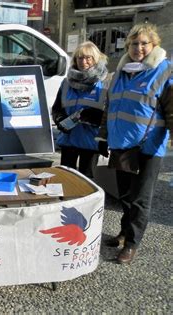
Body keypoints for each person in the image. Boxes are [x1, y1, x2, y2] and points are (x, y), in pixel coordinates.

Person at [98, 24, 173, 264]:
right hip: (122, 144)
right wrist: (103, 137)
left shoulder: (164, 71)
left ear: (154, 46)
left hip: (148, 147)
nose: (138, 48)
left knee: (140, 198)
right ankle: (123, 231)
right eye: (134, 43)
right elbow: (109, 108)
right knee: (125, 195)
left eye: (144, 44)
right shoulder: (120, 73)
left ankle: (131, 243)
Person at [52, 41, 110, 178]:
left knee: (87, 182)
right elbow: (57, 108)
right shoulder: (66, 83)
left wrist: (92, 116)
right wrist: (60, 120)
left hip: (91, 141)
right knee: (66, 179)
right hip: (68, 139)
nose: (83, 61)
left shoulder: (104, 83)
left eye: (88, 58)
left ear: (96, 60)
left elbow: (110, 114)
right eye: (80, 57)